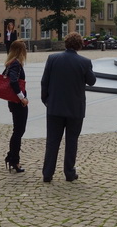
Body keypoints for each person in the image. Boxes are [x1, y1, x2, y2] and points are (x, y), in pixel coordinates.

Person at [40, 31, 97, 183]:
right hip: (75, 109)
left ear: (66, 43)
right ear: (80, 45)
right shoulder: (84, 62)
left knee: (52, 141)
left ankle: (47, 173)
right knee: (72, 141)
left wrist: (46, 100)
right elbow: (92, 81)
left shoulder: (52, 59)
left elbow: (44, 82)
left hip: (55, 107)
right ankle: (69, 173)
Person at [3, 40, 29, 173]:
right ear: (20, 51)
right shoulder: (16, 64)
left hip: (12, 102)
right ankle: (14, 160)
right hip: (18, 103)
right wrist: (22, 98)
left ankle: (11, 156)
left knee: (18, 130)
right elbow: (13, 81)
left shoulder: (10, 63)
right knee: (18, 131)